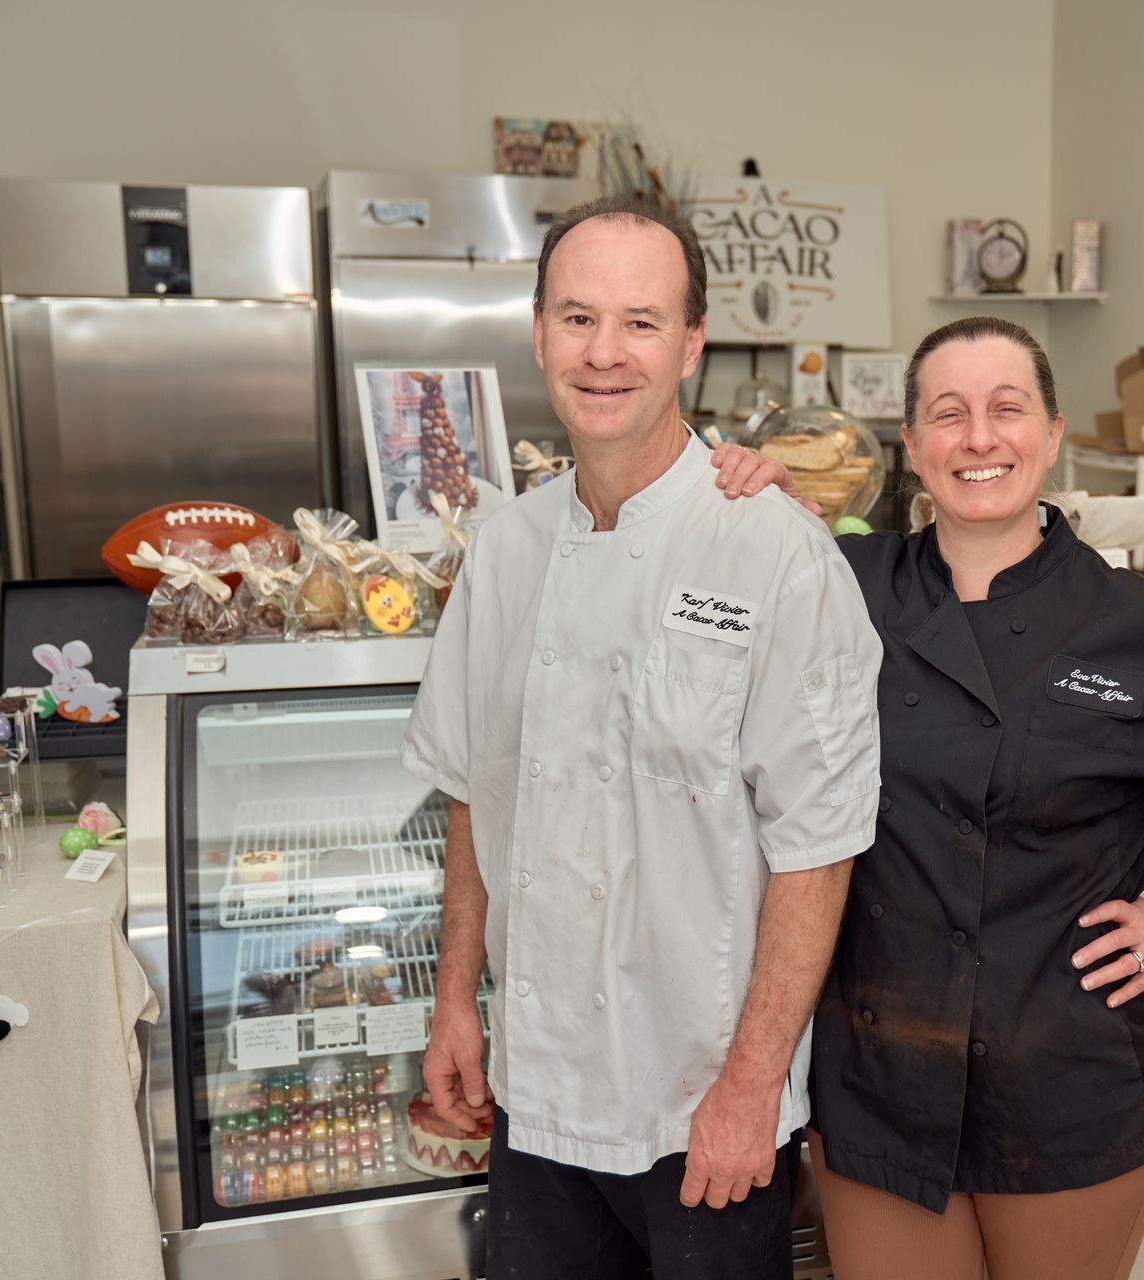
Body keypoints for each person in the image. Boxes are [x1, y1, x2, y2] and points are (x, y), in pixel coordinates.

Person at [711, 316, 1144, 1280]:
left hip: (1069, 1085)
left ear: (1052, 436)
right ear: (913, 448)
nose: (979, 438)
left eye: (1007, 410)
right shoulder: (839, 585)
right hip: (879, 1083)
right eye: (948, 414)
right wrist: (750, 499)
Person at [401, 196, 883, 1280]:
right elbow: (477, 790)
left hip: (700, 1109)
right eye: (577, 319)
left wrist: (754, 1085)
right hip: (537, 1092)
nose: (604, 353)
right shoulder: (507, 549)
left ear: (691, 346)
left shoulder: (775, 554)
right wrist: (454, 1002)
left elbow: (819, 846)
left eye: (640, 321)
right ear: (538, 335)